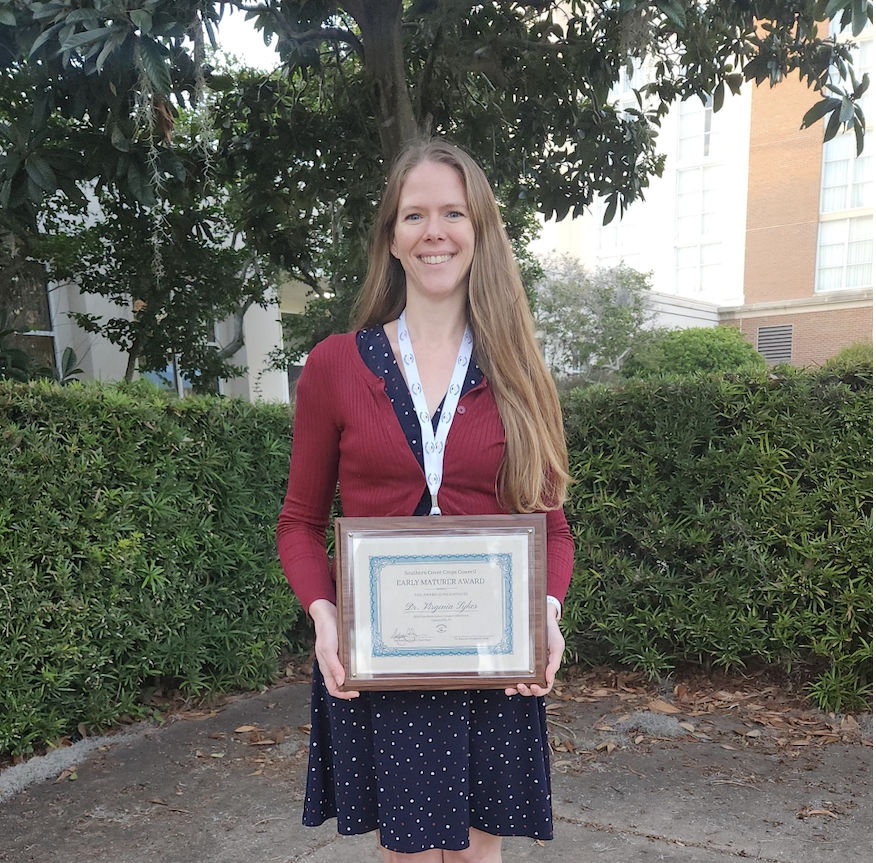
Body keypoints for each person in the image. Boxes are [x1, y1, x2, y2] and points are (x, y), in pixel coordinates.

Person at [277, 137, 574, 863]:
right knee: (405, 855)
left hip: (493, 656)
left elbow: (554, 530)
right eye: (414, 215)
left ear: (480, 231)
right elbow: (299, 522)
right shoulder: (335, 364)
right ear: (391, 236)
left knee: (478, 852)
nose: (433, 231)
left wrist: (545, 614)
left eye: (452, 213)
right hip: (388, 654)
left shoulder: (517, 370)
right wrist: (324, 618)